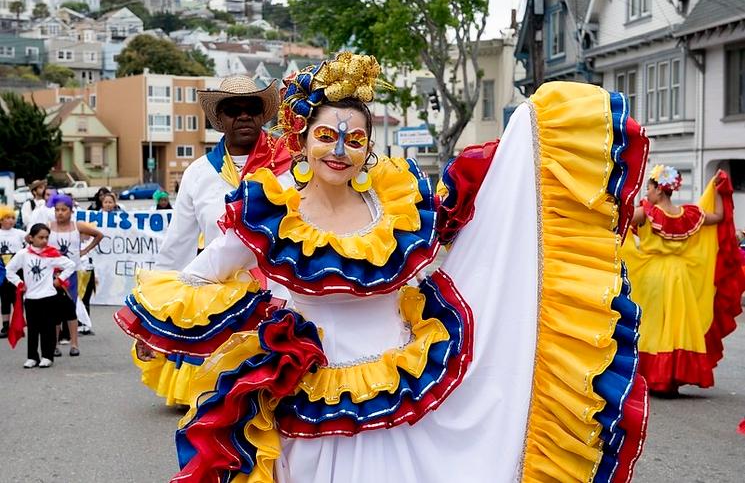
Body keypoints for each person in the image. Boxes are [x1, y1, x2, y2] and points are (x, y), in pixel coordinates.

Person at [118, 55, 650, 482]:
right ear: (301, 140)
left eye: (354, 139)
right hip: (314, 403)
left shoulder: (395, 208)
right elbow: (199, 274)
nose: (340, 150)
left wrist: (525, 155)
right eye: (327, 137)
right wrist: (170, 323)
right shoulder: (270, 211)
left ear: (368, 147)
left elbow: (449, 257)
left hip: (402, 391)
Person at [134, 75, 293, 408]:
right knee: (221, 406)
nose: (243, 116)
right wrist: (154, 321)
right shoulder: (197, 173)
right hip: (219, 302)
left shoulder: (290, 168)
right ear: (219, 121)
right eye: (233, 110)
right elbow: (177, 246)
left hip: (281, 295)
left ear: (264, 115)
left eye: (251, 109)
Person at [623, 165, 745, 396]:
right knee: (678, 326)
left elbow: (620, 222)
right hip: (681, 277)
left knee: (654, 326)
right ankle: (671, 378)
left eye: (649, 188)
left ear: (659, 190)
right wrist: (718, 191)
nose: (646, 193)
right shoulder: (689, 215)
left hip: (654, 275)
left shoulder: (647, 212)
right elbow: (719, 217)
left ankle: (653, 375)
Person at [5, 223, 76, 368]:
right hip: (31, 298)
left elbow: (70, 265)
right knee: (33, 328)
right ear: (31, 238)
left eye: (46, 237)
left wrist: (60, 279)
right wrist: (19, 283)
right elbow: (9, 270)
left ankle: (47, 356)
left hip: (49, 296)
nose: (44, 240)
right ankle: (32, 356)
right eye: (40, 237)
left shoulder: (51, 254)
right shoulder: (23, 254)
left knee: (48, 328)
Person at [47, 194, 103, 357]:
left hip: (71, 273)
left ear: (71, 211)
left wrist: (85, 250)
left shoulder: (77, 226)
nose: (60, 213)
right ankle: (54, 344)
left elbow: (98, 235)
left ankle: (74, 344)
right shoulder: (49, 226)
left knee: (70, 308)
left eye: (64, 210)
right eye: (57, 210)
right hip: (53, 273)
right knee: (54, 310)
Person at [0, 206, 26, 338]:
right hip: (2, 270)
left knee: (17, 298)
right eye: (7, 218)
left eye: (12, 218)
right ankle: (5, 326)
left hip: (17, 269)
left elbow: (30, 244)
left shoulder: (20, 233)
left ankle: (18, 325)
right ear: (1, 220)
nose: (11, 220)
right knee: (4, 298)